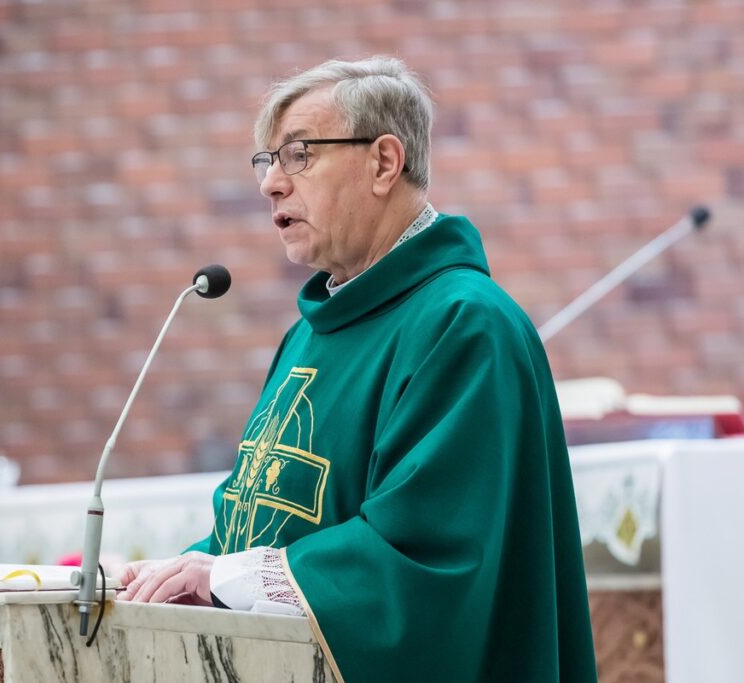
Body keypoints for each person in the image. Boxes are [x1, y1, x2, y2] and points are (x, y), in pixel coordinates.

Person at [118, 56, 597, 682]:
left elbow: (427, 558)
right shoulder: (307, 336)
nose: (271, 184)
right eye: (267, 161)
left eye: (299, 155)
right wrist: (165, 576)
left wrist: (226, 577)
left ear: (384, 162)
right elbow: (255, 526)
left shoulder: (464, 325)